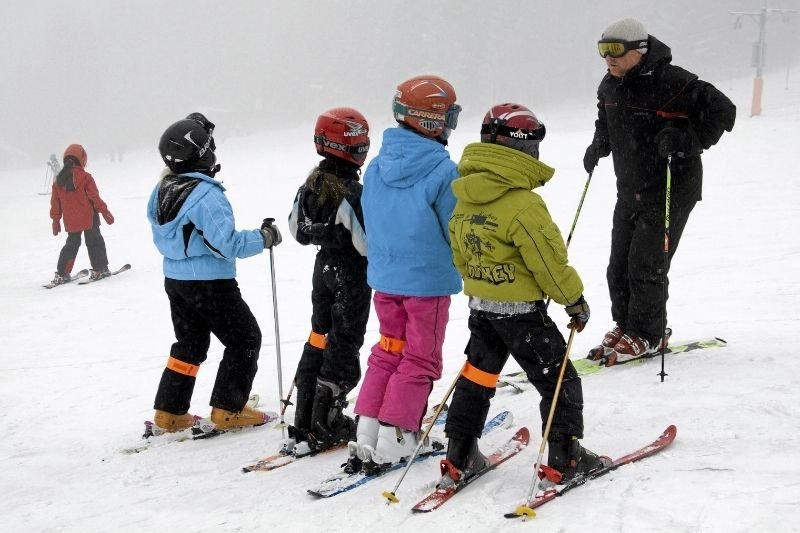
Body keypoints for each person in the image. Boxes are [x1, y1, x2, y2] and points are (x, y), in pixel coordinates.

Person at [440, 103, 602, 487]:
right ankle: (566, 456)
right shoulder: (524, 204)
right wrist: (574, 301)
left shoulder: (464, 198)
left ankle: (459, 453)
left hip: (482, 310)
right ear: (526, 151)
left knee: (477, 376)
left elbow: (460, 254)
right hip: (522, 316)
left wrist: (484, 282)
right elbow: (548, 263)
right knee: (558, 379)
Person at [584, 18, 736, 363]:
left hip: (671, 186)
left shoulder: (675, 82)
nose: (608, 58)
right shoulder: (610, 85)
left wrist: (687, 140)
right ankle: (627, 325)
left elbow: (723, 111)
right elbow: (604, 119)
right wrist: (600, 142)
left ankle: (649, 334)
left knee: (646, 264)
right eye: (603, 50)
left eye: (615, 51)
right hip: (631, 188)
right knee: (617, 264)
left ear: (639, 50)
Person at [347, 75, 463, 471]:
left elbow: (376, 220)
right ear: (431, 120)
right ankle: (399, 434)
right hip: (425, 286)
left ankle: (367, 428)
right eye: (449, 116)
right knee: (420, 358)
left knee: (388, 351)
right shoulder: (443, 171)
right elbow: (456, 228)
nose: (450, 125)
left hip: (386, 280)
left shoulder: (377, 167)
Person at [147, 116, 282, 432]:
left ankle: (170, 412)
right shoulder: (207, 196)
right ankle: (228, 408)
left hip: (176, 281)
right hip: (210, 283)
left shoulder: (162, 188)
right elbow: (227, 245)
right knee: (244, 338)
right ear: (204, 154)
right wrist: (264, 237)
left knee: (190, 344)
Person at [284, 107, 372, 456]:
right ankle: (327, 422)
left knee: (319, 334)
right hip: (351, 274)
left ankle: (305, 415)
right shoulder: (352, 192)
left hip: (322, 269)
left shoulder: (310, 185)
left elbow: (295, 228)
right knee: (344, 339)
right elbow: (367, 244)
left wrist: (324, 235)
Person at [49, 144, 114, 285]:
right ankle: (100, 268)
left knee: (72, 244)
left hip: (71, 220)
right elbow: (94, 198)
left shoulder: (58, 182)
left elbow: (56, 204)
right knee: (95, 241)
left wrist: (55, 221)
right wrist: (105, 211)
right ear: (82, 159)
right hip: (89, 218)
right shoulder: (85, 178)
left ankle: (62, 273)